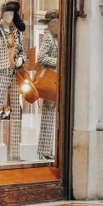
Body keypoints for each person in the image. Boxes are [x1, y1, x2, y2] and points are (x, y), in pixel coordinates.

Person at [0, 0, 25, 163]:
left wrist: (21, 59)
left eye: (12, 14)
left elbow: (22, 51)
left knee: (16, 112)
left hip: (15, 74)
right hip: (1, 74)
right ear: (1, 15)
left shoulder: (17, 33)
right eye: (6, 13)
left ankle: (15, 152)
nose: (9, 16)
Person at [37, 10, 59, 161]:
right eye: (54, 23)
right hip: (50, 79)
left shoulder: (56, 38)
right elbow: (40, 57)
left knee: (51, 115)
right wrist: (57, 61)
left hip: (56, 79)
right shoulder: (48, 39)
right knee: (48, 115)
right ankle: (45, 150)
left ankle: (47, 150)